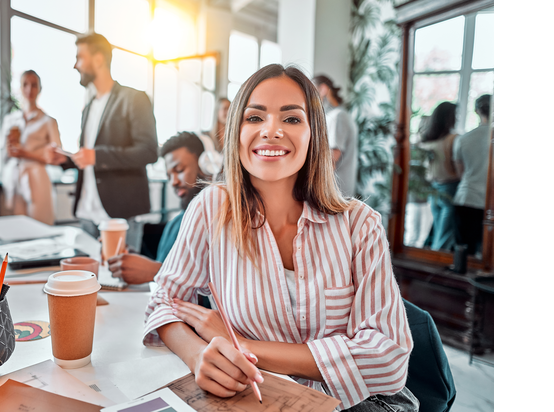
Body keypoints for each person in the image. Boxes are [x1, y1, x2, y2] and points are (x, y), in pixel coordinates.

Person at [143, 64, 416, 411]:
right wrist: (198, 355)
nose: (271, 131)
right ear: (235, 133)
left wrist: (238, 344)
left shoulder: (359, 224)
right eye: (254, 118)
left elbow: (387, 358)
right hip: (260, 398)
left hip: (360, 403)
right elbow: (164, 302)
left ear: (313, 134)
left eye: (291, 119)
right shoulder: (212, 208)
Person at [45, 33, 158, 245]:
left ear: (98, 59)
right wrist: (66, 160)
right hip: (86, 212)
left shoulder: (134, 99)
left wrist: (97, 156)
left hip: (120, 213)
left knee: (121, 278)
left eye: (80, 57)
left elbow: (149, 151)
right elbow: (88, 158)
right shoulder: (88, 108)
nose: (75, 65)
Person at [107, 132, 211, 284]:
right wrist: (134, 262)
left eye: (180, 170)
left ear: (205, 165)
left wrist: (156, 271)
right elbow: (162, 265)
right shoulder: (174, 224)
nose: (173, 182)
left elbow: (217, 291)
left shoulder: (219, 224)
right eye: (169, 176)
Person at [0, 70, 62, 225]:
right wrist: (9, 150)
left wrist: (26, 154)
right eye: (25, 84)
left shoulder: (48, 121)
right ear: (19, 88)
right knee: (16, 229)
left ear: (39, 89)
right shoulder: (10, 120)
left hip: (37, 178)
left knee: (40, 226)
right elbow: (2, 155)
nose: (29, 89)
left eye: (34, 85)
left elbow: (58, 157)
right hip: (14, 178)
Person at [452, 94, 492, 256]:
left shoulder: (464, 139)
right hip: (490, 201)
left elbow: (460, 173)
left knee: (463, 252)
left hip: (467, 197)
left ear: (477, 111)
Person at [418, 102, 460, 251]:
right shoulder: (453, 139)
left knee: (439, 229)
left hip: (434, 188)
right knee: (444, 233)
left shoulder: (427, 139)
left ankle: (434, 259)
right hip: (450, 187)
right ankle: (436, 264)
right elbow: (457, 166)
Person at [313, 75, 357, 197]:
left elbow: (331, 159)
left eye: (312, 92)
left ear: (323, 89)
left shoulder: (338, 116)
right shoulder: (334, 116)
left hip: (336, 191)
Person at [196, 98, 230, 178]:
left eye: (230, 108)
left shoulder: (235, 136)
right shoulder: (206, 136)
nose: (228, 112)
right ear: (217, 111)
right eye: (225, 108)